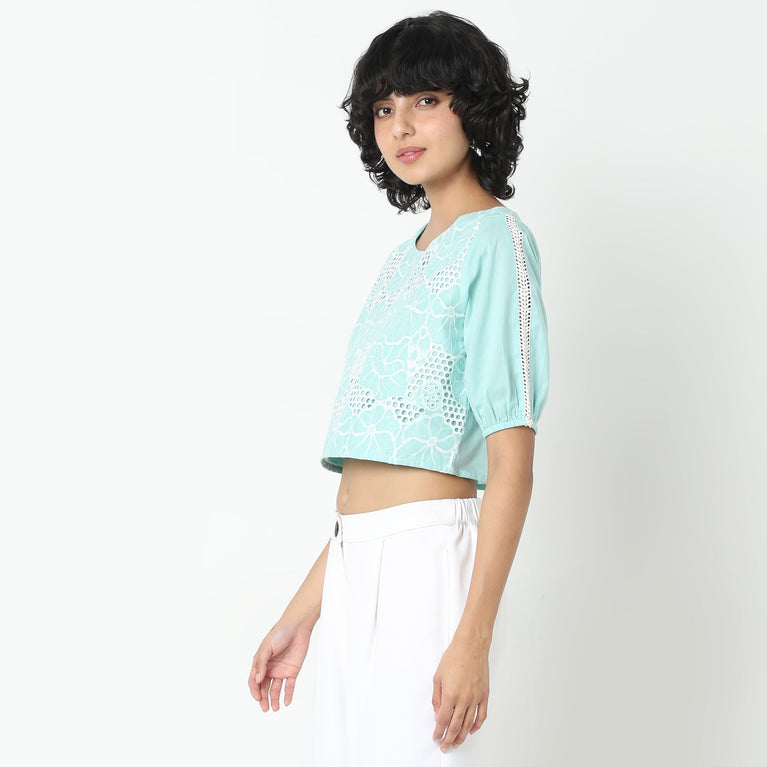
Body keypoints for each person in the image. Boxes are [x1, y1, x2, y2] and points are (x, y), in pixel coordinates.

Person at [248, 10, 550, 766]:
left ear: (472, 107)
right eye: (383, 108)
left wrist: (472, 638)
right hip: (352, 566)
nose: (401, 125)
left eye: (425, 100)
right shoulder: (399, 261)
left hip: (429, 567)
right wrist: (302, 614)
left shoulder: (498, 243)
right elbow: (371, 483)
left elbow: (511, 459)